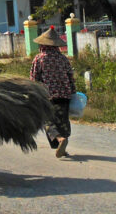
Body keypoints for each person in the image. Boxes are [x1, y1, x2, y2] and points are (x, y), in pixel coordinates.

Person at [30, 26, 76, 158]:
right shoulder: (63, 59)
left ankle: (60, 139)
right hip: (64, 96)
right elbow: (70, 77)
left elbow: (34, 79)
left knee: (47, 120)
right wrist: (72, 92)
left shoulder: (39, 59)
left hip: (47, 96)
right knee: (62, 120)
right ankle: (63, 143)